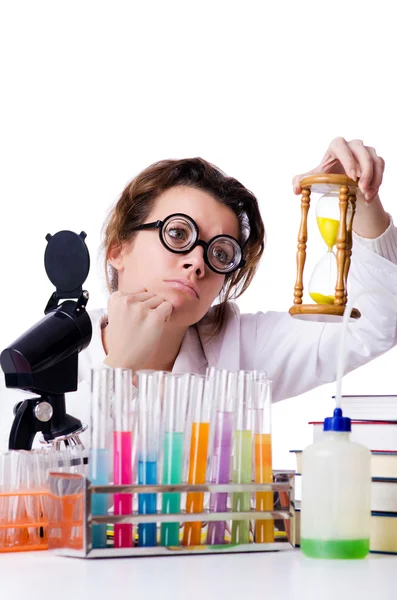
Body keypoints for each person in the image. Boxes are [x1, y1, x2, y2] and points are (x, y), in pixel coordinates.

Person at [0, 137, 396, 449]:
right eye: (177, 234)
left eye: (220, 252)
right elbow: (28, 485)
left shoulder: (237, 345)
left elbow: (375, 325)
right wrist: (123, 369)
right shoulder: (54, 350)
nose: (197, 262)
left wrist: (362, 202)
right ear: (118, 249)